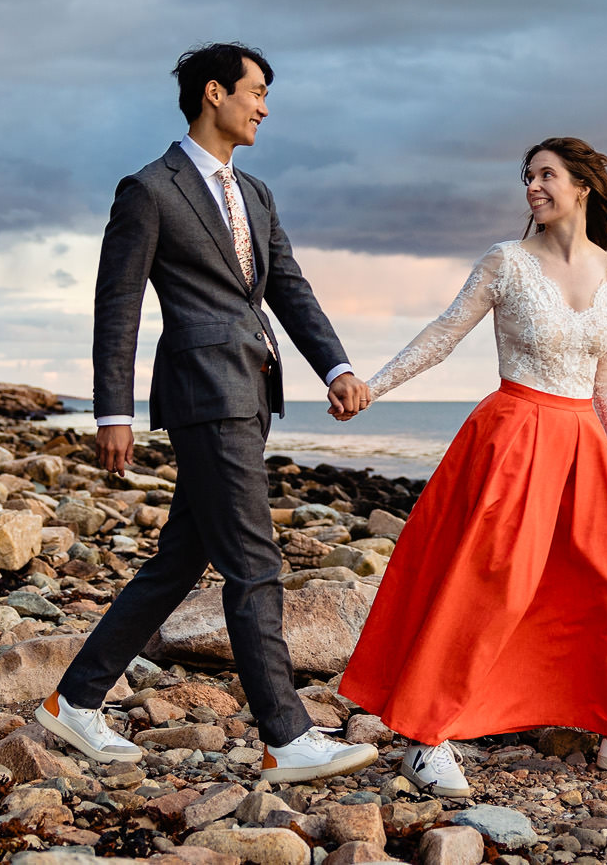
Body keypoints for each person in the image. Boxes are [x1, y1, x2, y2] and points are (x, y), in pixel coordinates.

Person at [38, 42, 379, 784]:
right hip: (200, 390)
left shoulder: (255, 193)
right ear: (214, 92)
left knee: (179, 559)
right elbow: (117, 304)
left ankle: (75, 700)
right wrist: (111, 413)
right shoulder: (149, 189)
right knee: (254, 561)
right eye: (257, 92)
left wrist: (338, 364)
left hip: (254, 391)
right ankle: (285, 734)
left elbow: (288, 286)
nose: (265, 107)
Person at [336, 137, 607, 796]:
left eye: (546, 174)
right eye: (528, 176)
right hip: (514, 437)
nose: (532, 186)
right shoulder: (506, 262)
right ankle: (426, 736)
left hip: (585, 445)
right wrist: (372, 385)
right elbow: (444, 334)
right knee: (488, 588)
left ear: (583, 185)